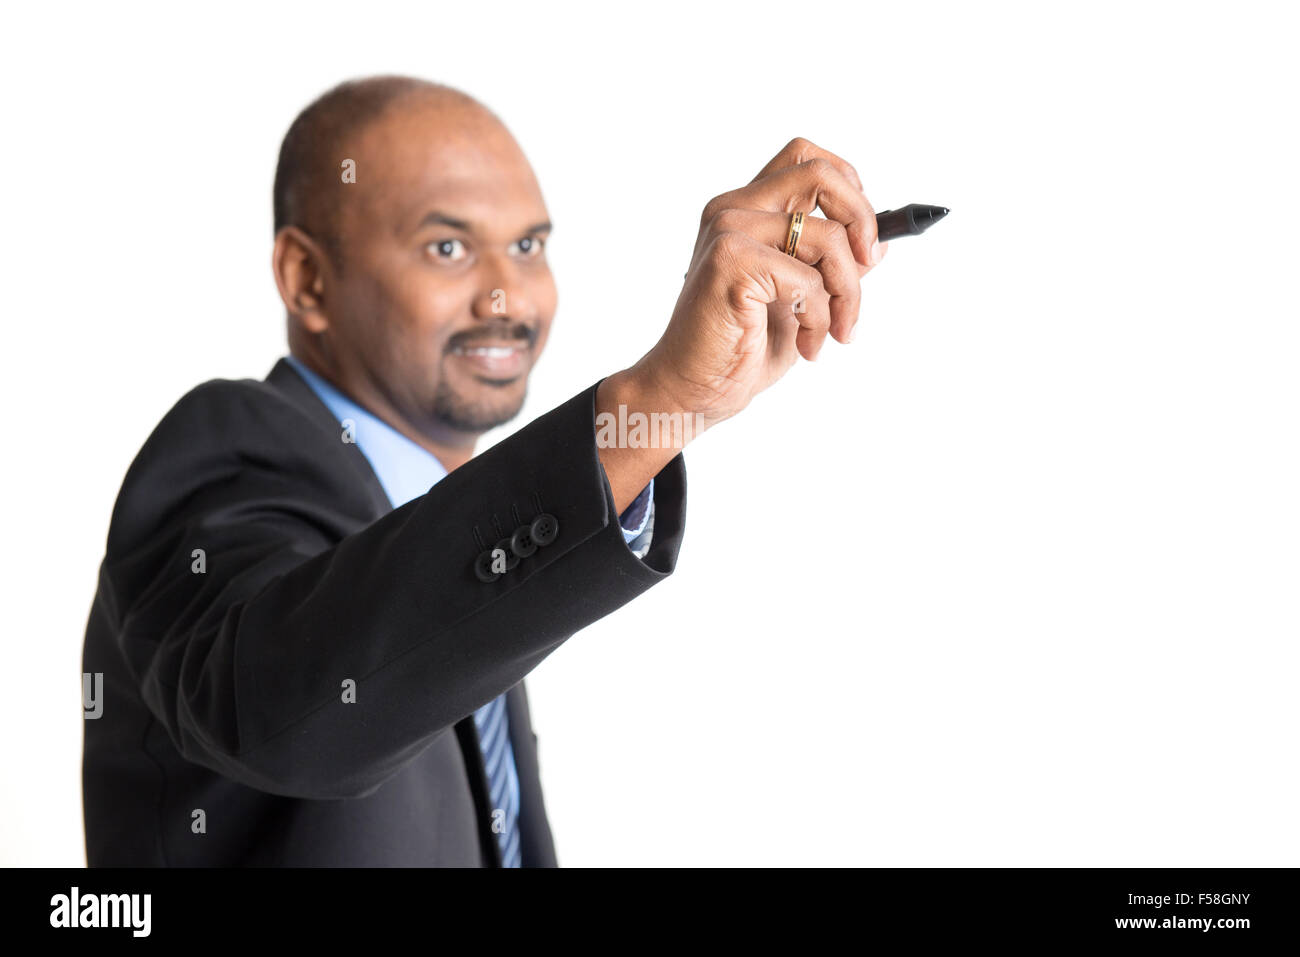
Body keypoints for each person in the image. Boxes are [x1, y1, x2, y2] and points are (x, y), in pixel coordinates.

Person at [81, 74, 888, 866]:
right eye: (448, 247)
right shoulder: (232, 448)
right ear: (307, 279)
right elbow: (278, 707)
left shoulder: (447, 519)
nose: (508, 297)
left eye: (529, 245)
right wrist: (658, 400)